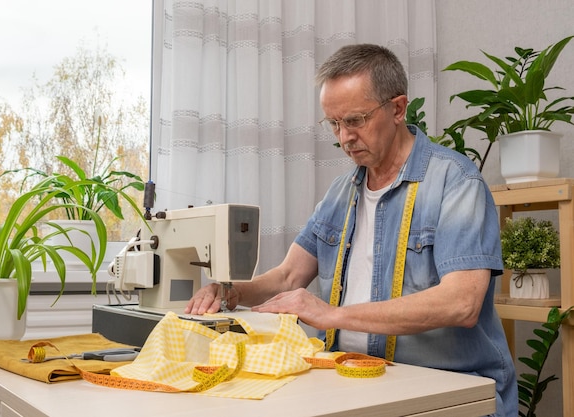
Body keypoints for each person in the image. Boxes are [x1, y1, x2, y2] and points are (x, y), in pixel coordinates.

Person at [185, 44, 517, 417]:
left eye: (356, 120)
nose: (344, 137)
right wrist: (231, 292)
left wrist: (331, 315)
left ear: (397, 108)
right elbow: (289, 276)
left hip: (449, 393)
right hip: (358, 383)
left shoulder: (455, 182)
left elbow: (461, 303)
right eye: (334, 123)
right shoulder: (341, 193)